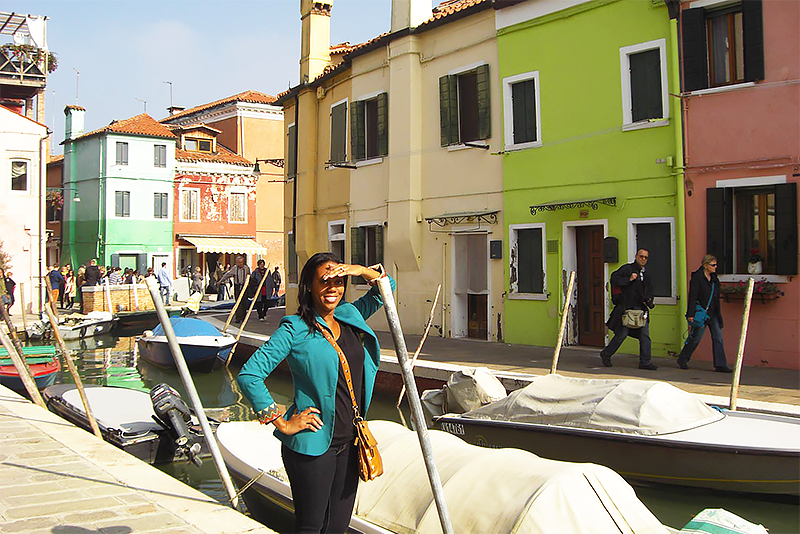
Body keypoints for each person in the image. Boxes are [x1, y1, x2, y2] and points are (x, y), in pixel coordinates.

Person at [238, 253, 392, 534]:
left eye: (339, 281)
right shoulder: (294, 329)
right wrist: (282, 421)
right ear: (309, 286)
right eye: (324, 281)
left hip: (351, 441)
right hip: (313, 446)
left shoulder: (349, 315)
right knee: (311, 527)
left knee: (337, 527)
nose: (332, 288)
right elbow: (250, 375)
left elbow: (384, 288)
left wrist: (358, 269)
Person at [600, 248, 657, 370]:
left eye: (646, 257)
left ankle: (645, 362)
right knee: (622, 334)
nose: (643, 259)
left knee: (644, 335)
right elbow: (614, 279)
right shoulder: (627, 269)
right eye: (641, 256)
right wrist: (628, 279)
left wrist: (649, 300)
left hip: (641, 310)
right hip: (627, 310)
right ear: (636, 256)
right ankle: (606, 354)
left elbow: (650, 290)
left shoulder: (646, 274)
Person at [677, 255, 732, 372]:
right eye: (713, 265)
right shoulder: (697, 278)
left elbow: (716, 297)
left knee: (718, 337)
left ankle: (720, 364)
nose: (715, 267)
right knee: (695, 338)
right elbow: (692, 296)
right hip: (701, 313)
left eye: (716, 265)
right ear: (705, 266)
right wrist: (691, 314)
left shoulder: (714, 278)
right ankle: (683, 358)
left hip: (713, 313)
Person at [219, 256, 251, 323]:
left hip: (245, 286)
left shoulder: (246, 268)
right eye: (239, 262)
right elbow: (228, 275)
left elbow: (249, 276)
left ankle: (243, 317)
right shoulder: (235, 268)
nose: (240, 264)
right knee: (238, 302)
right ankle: (238, 317)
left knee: (244, 302)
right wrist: (220, 281)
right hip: (237, 286)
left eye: (241, 262)